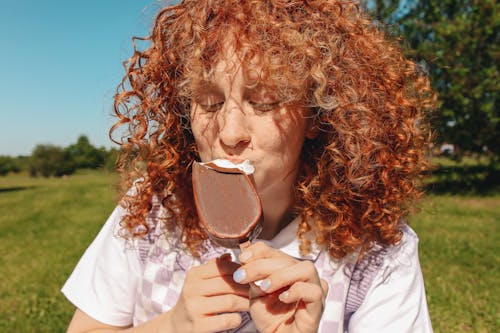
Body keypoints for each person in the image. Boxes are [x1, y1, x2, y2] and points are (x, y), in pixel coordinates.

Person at [62, 0, 435, 332]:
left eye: (265, 100)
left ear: (313, 118)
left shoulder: (378, 253)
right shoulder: (152, 211)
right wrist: (171, 327)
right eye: (208, 101)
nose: (230, 132)